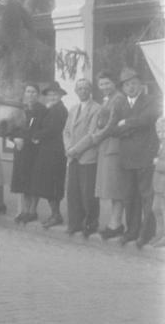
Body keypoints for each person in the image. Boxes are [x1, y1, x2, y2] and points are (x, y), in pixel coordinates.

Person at [116, 67, 161, 247]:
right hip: (126, 158)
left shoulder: (151, 101)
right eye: (127, 85)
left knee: (146, 196)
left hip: (145, 156)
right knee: (129, 196)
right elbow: (112, 128)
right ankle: (131, 231)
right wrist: (130, 127)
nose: (131, 87)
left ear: (141, 85)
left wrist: (126, 123)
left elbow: (148, 119)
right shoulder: (120, 104)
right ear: (123, 88)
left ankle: (146, 233)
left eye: (134, 83)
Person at [88, 70, 128, 239]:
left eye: (107, 83)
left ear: (114, 83)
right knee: (111, 187)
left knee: (116, 186)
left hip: (114, 147)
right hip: (107, 146)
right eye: (101, 84)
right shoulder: (108, 99)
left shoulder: (118, 99)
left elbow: (111, 124)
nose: (104, 87)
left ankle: (116, 223)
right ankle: (114, 222)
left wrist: (96, 136)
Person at [62, 78, 100, 237]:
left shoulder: (97, 109)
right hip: (73, 157)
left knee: (88, 192)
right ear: (76, 91)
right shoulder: (73, 109)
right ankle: (74, 223)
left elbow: (92, 134)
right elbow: (66, 131)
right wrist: (68, 148)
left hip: (87, 156)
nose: (83, 91)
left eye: (85, 88)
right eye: (80, 89)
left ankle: (90, 223)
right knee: (73, 192)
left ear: (90, 90)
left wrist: (75, 150)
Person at [30, 81, 68, 228]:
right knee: (47, 183)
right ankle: (54, 214)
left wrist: (36, 135)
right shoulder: (51, 109)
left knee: (52, 184)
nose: (52, 97)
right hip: (47, 150)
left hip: (55, 150)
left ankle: (56, 215)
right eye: (50, 95)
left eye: (55, 95)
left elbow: (52, 129)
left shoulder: (59, 110)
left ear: (60, 96)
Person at [9, 82, 47, 223]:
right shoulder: (20, 109)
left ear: (38, 94)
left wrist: (29, 138)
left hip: (35, 150)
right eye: (28, 91)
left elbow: (43, 130)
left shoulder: (42, 110)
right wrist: (14, 138)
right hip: (21, 150)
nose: (30, 94)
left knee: (34, 181)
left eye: (33, 92)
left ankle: (33, 211)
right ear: (24, 93)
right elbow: (11, 128)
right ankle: (24, 210)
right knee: (23, 180)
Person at [151, 116, 165, 248]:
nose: (160, 134)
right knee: (156, 209)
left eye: (163, 131)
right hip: (158, 185)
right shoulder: (160, 145)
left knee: (163, 210)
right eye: (158, 132)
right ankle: (159, 234)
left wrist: (158, 163)